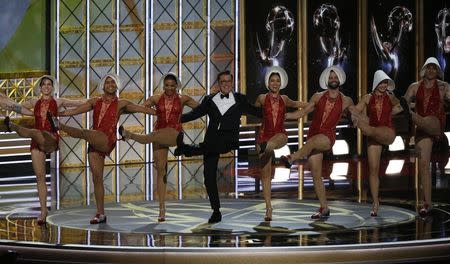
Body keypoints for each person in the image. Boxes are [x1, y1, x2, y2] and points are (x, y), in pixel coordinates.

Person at [52, 73, 156, 224]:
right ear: (103, 85)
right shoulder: (95, 101)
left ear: (117, 85)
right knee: (97, 178)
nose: (110, 84)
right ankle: (100, 213)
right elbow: (75, 111)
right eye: (107, 82)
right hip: (94, 141)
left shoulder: (122, 103)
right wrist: (58, 113)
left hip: (107, 139)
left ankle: (59, 126)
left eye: (113, 82)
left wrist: (161, 113)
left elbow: (141, 109)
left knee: (85, 133)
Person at [174, 70, 261, 224]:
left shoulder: (240, 99)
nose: (226, 84)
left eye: (229, 81)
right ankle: (216, 211)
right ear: (218, 84)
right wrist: (174, 120)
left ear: (232, 83)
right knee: (208, 176)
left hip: (229, 139)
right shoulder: (210, 99)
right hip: (211, 141)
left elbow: (255, 111)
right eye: (223, 82)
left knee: (212, 146)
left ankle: (187, 150)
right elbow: (195, 114)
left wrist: (277, 113)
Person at [1, 75, 85, 225]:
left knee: (36, 132)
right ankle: (43, 211)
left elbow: (80, 104)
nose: (46, 86)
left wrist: (95, 102)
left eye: (49, 84)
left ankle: (13, 127)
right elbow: (17, 107)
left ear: (53, 88)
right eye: (43, 84)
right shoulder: (34, 102)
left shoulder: (59, 102)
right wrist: (5, 102)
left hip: (51, 138)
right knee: (40, 176)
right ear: (40, 88)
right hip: (37, 140)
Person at [119, 73, 198, 222]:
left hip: (174, 133)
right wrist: (122, 108)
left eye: (172, 85)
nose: (169, 88)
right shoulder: (156, 98)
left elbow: (201, 108)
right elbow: (139, 108)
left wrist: (185, 118)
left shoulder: (183, 99)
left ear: (177, 86)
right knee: (161, 170)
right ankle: (162, 209)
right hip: (158, 135)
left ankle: (129, 135)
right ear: (163, 85)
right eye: (167, 85)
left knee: (152, 136)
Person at [282, 65, 354, 219]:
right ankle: (324, 207)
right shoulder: (317, 96)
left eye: (335, 77)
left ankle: (292, 158)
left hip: (327, 137)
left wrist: (355, 119)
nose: (333, 79)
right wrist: (286, 116)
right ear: (326, 80)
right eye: (331, 77)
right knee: (316, 175)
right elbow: (303, 112)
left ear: (339, 79)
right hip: (313, 136)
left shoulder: (347, 100)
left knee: (314, 141)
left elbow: (355, 115)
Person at [254, 66, 307, 221]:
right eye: (272, 80)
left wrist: (314, 104)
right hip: (264, 135)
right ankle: (269, 208)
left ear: (281, 83)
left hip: (280, 135)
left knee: (273, 142)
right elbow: (253, 110)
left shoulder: (284, 99)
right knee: (266, 175)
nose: (275, 83)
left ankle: (266, 148)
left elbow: (298, 103)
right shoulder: (262, 98)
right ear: (268, 82)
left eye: (277, 81)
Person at [349, 70, 403, 216]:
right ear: (376, 83)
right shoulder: (367, 97)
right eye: (381, 82)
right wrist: (354, 117)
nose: (384, 85)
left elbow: (400, 107)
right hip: (373, 134)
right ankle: (375, 202)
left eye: (385, 82)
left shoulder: (390, 97)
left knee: (367, 128)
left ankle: (365, 127)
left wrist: (388, 114)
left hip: (386, 131)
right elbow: (356, 110)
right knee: (373, 170)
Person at [401, 57, 450, 216]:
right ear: (424, 69)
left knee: (423, 119)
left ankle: (412, 116)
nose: (431, 70)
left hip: (436, 123)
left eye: (434, 68)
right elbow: (402, 102)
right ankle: (427, 203)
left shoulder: (443, 87)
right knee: (423, 166)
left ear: (437, 71)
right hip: (421, 129)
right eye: (428, 67)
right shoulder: (414, 87)